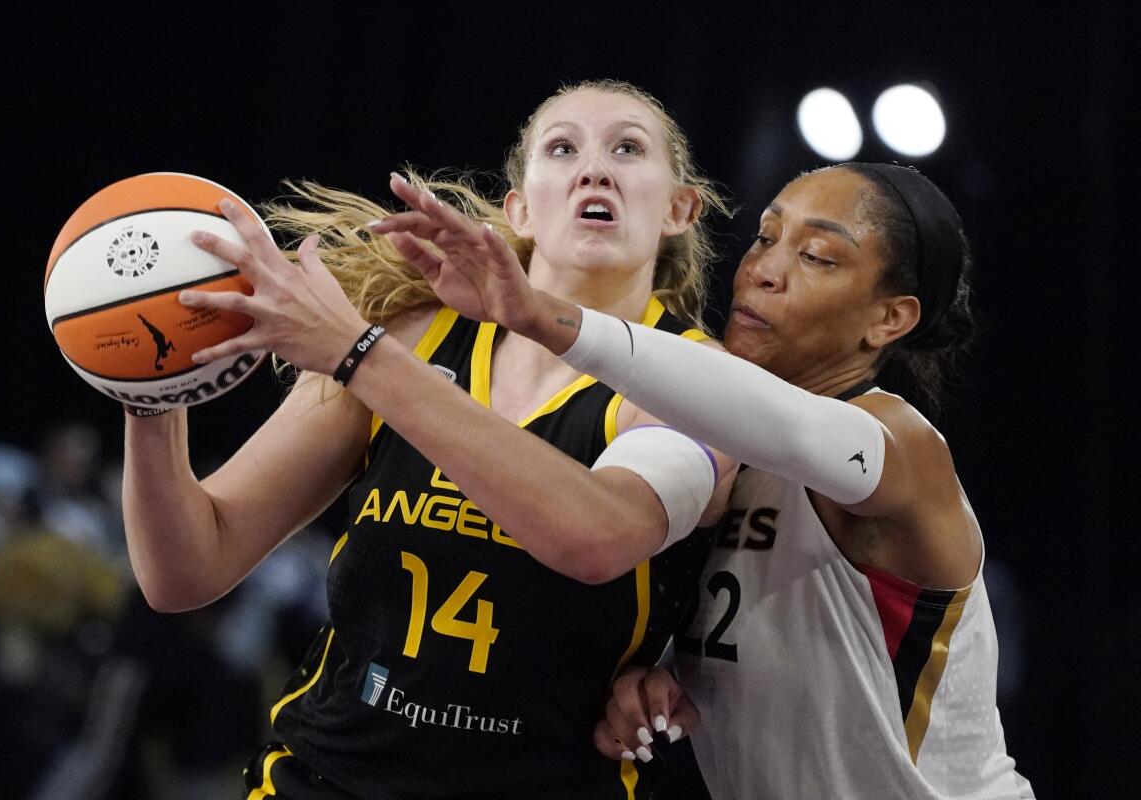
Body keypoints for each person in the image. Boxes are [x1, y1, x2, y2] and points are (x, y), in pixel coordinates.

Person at [124, 79, 737, 799]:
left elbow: (595, 538)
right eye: (562, 148)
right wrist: (149, 393)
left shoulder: (702, 380)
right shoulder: (416, 337)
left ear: (679, 208)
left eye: (627, 149)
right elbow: (188, 568)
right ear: (520, 207)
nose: (593, 169)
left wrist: (360, 355)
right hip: (326, 778)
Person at [376, 162, 1035, 798]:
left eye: (818, 257)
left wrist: (544, 315)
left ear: (888, 320)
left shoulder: (899, 443)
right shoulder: (723, 460)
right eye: (767, 236)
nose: (766, 270)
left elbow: (796, 430)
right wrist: (656, 682)